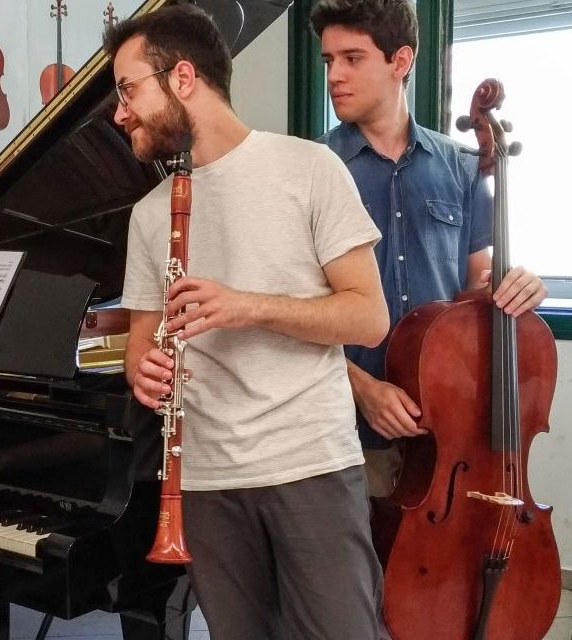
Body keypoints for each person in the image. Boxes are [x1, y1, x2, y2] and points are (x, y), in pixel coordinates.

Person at [103, 5, 389, 638]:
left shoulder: (309, 169)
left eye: (128, 90)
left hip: (308, 464)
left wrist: (249, 305)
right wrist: (142, 372)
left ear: (182, 78)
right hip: (204, 481)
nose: (119, 112)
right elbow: (140, 343)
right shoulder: (149, 214)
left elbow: (368, 318)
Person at [309, 0, 549, 497]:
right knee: (357, 571)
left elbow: (477, 288)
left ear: (401, 61)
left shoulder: (461, 167)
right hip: (344, 425)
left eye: (352, 58)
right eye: (329, 60)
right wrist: (364, 390)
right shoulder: (310, 169)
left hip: (448, 422)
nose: (335, 75)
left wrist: (520, 287)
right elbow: (295, 312)